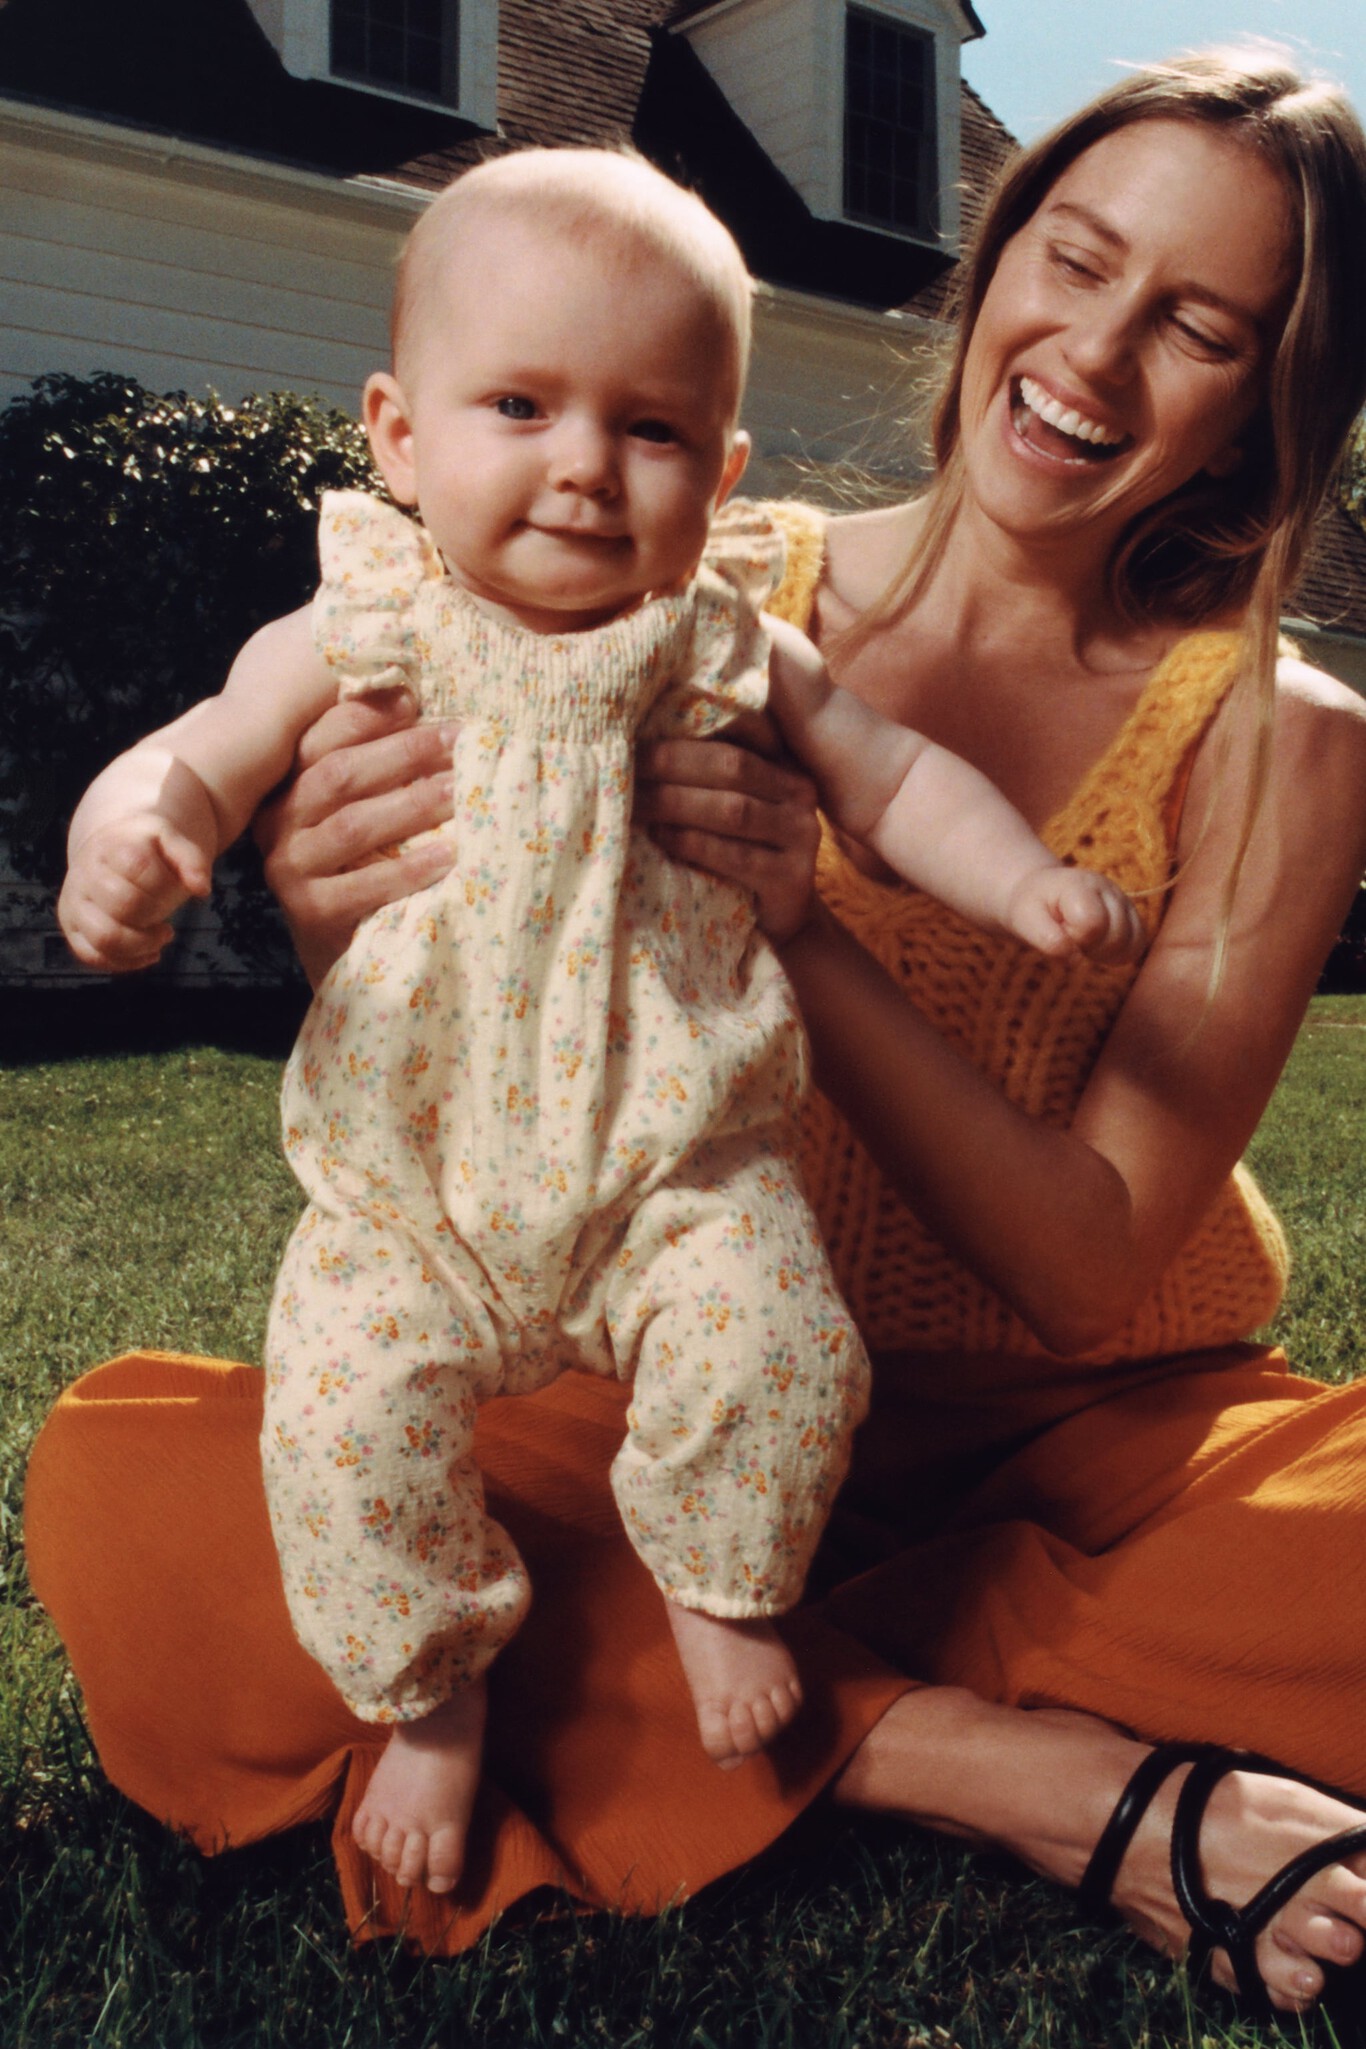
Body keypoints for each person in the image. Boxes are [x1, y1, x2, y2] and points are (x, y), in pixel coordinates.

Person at [23, 37, 1366, 2028]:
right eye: (1073, 258)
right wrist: (309, 882)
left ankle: (764, 1683)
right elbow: (437, 929)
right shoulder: (678, 554)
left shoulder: (1278, 733)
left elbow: (1084, 1266)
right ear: (997, 254)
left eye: (1196, 327)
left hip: (1087, 1437)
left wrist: (799, 924)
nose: (1091, 350)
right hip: (636, 1372)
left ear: (1270, 398)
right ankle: (987, 1752)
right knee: (144, 1489)